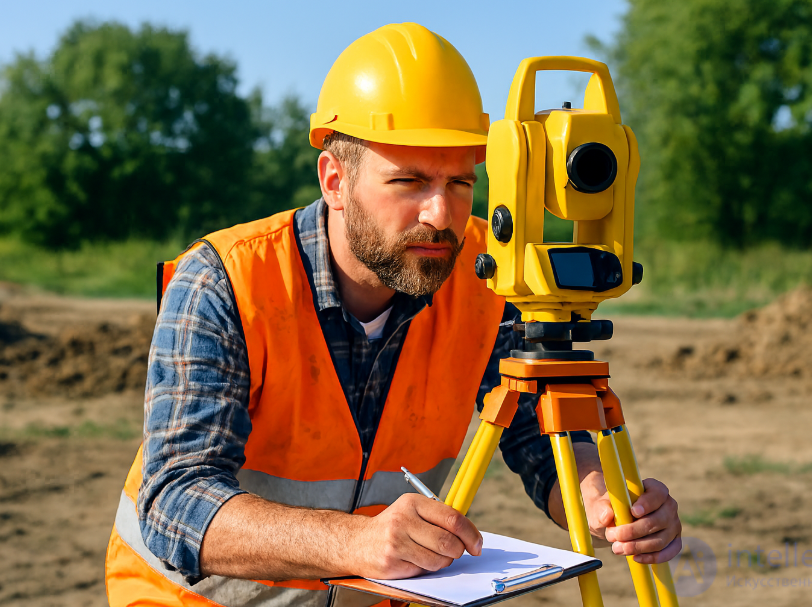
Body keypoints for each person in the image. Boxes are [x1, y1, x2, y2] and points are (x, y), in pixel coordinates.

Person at [105, 22, 681, 607]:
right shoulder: (226, 281)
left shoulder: (487, 273)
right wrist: (356, 541)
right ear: (335, 181)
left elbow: (537, 438)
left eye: (460, 182)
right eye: (409, 181)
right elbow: (175, 501)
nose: (440, 214)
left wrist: (599, 498)